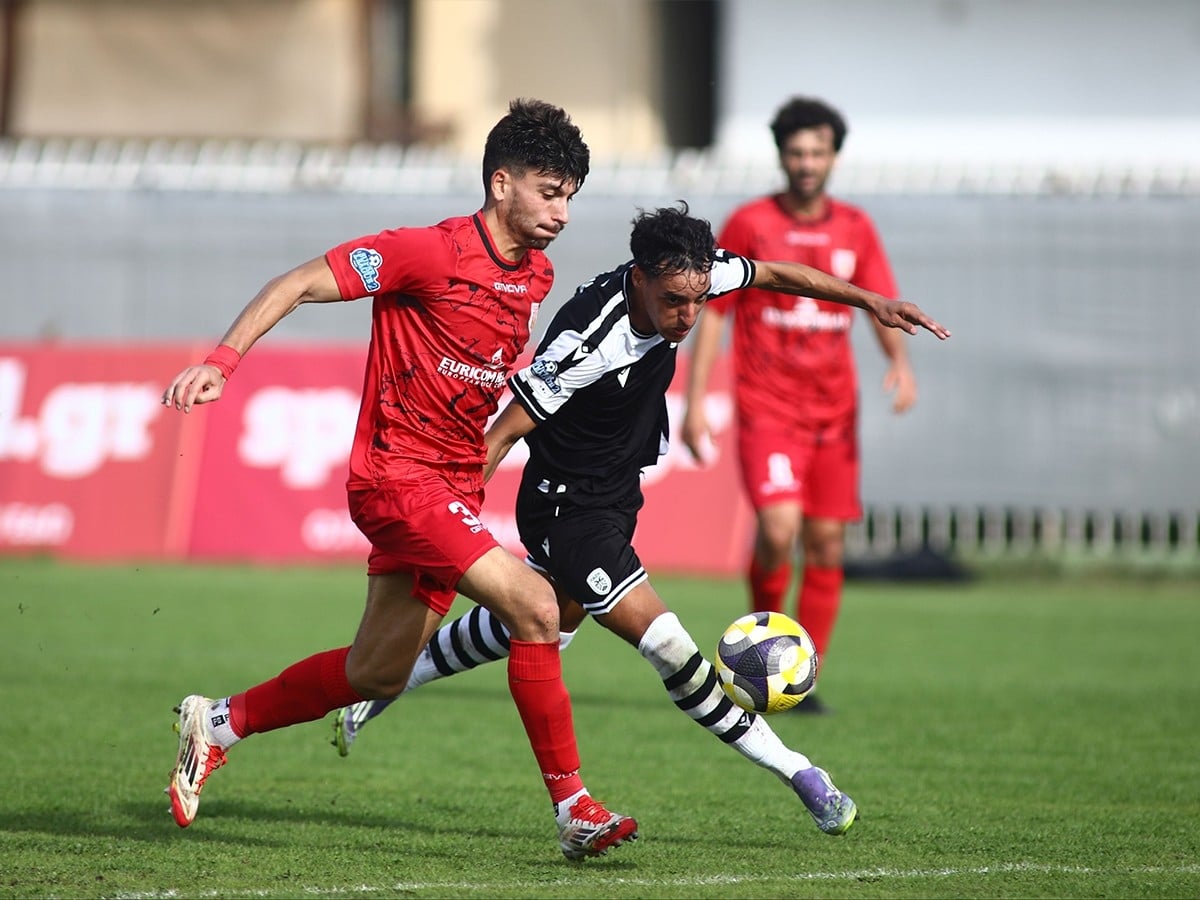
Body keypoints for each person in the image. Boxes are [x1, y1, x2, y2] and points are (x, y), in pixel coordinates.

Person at [326, 204, 950, 836]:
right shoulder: (589, 340)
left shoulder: (694, 277)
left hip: (617, 496)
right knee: (668, 645)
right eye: (676, 301)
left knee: (542, 617)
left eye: (700, 300)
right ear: (642, 277)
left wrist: (870, 300)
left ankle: (389, 682)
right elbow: (504, 433)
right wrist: (446, 520)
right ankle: (801, 774)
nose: (688, 315)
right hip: (565, 508)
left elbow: (778, 275)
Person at [159, 98, 640, 862]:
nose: (563, 212)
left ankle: (217, 723)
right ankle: (575, 807)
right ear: (500, 182)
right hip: (396, 478)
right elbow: (295, 282)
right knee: (536, 605)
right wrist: (222, 364)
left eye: (571, 197)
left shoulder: (537, 275)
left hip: (453, 483)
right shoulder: (425, 252)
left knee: (377, 672)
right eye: (550, 192)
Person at [682, 97, 913, 714]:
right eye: (796, 152)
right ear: (781, 156)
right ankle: (762, 651)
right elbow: (714, 315)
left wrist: (899, 362)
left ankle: (801, 675)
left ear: (833, 156)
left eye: (817, 151)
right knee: (779, 530)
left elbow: (877, 302)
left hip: (835, 414)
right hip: (769, 408)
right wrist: (697, 400)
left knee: (828, 544)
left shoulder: (856, 228)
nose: (806, 163)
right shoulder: (750, 223)